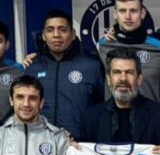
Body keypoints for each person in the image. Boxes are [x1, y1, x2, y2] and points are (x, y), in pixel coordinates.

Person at [24, 9, 106, 140]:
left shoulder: (92, 65)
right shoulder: (32, 67)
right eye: (50, 30)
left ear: (73, 34)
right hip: (40, 144)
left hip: (80, 147)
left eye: (62, 29)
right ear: (43, 35)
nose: (56, 35)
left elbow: (105, 107)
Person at [97, 0, 160, 104]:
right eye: (122, 11)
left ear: (142, 13)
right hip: (113, 119)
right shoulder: (102, 46)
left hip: (151, 119)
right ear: (115, 14)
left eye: (133, 11)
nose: (128, 16)